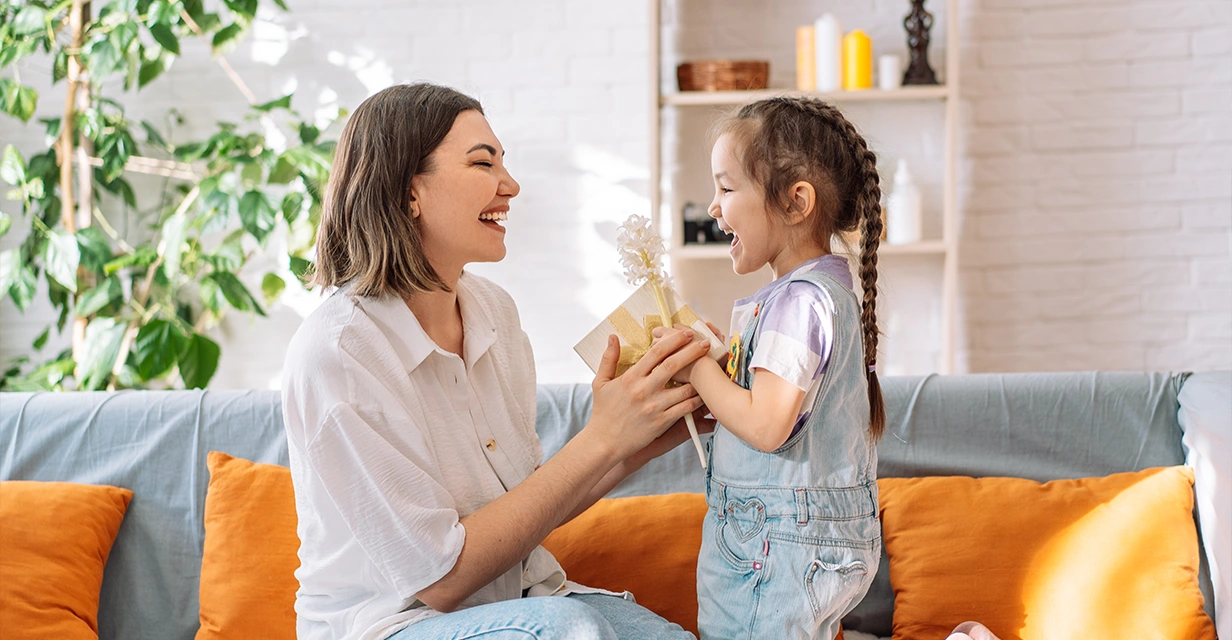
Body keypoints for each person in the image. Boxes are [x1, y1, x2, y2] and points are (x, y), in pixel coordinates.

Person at [280, 83, 713, 640]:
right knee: (569, 632)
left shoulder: (493, 312)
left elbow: (529, 505)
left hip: (525, 604)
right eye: (483, 163)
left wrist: (660, 419)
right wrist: (601, 438)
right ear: (409, 191)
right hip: (394, 625)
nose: (509, 185)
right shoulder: (338, 353)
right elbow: (439, 579)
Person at [654, 96, 886, 640]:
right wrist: (719, 360)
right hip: (799, 544)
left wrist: (694, 370)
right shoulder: (821, 294)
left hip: (774, 547)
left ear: (795, 201)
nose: (714, 206)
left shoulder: (799, 300)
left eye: (727, 187)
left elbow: (766, 425)